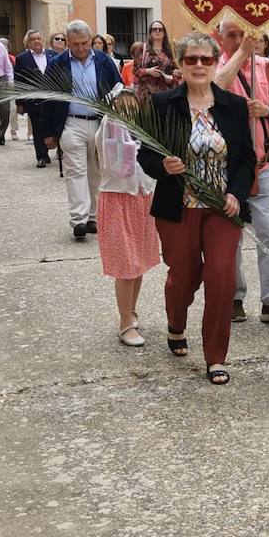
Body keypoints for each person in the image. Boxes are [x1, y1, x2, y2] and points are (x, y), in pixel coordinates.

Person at [137, 32, 254, 385]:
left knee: (221, 275)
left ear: (216, 61)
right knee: (183, 279)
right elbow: (146, 154)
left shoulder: (233, 105)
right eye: (191, 60)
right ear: (181, 64)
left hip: (222, 208)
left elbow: (246, 159)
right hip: (179, 208)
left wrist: (236, 193)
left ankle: (216, 356)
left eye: (206, 59)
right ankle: (176, 322)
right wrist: (163, 165)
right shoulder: (163, 105)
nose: (199, 66)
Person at [215, 16, 269, 326]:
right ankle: (235, 296)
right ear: (222, 39)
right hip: (226, 169)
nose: (238, 40)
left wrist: (268, 111)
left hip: (262, 164)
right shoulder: (218, 67)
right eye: (232, 35)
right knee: (230, 235)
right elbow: (216, 88)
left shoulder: (267, 67)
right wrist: (239, 56)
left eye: (244, 35)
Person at [42, 21, 122, 240]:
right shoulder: (57, 63)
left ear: (90, 40)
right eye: (75, 44)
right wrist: (48, 132)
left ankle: (93, 217)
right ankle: (78, 219)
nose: (80, 48)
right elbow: (47, 97)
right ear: (68, 42)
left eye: (84, 43)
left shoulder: (104, 61)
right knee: (75, 170)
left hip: (98, 122)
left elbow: (118, 87)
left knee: (96, 170)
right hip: (70, 122)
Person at [96, 89, 158, 348]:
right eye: (123, 106)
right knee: (126, 265)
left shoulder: (139, 130)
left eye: (133, 106)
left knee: (139, 263)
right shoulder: (110, 128)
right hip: (117, 200)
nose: (129, 111)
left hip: (142, 199)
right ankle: (124, 324)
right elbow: (117, 165)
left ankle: (131, 312)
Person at [14, 29, 53, 168]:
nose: (36, 41)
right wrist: (19, 102)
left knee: (54, 125)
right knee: (38, 127)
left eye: (38, 38)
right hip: (34, 99)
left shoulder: (52, 55)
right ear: (28, 43)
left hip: (52, 98)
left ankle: (56, 151)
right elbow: (18, 81)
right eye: (33, 40)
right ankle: (41, 156)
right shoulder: (22, 58)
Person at [134, 20, 178, 101]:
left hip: (166, 92)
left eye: (160, 29)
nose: (157, 31)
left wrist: (172, 76)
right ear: (150, 33)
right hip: (146, 93)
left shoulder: (170, 50)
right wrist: (147, 71)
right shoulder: (142, 49)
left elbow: (177, 69)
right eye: (154, 29)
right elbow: (135, 71)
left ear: (164, 33)